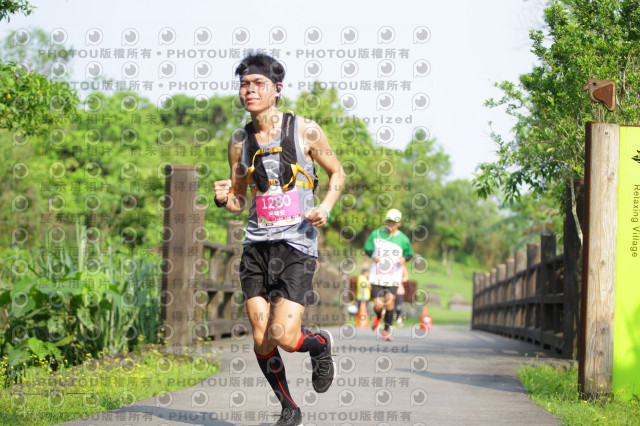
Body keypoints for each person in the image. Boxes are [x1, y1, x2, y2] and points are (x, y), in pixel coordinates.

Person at [213, 53, 345, 426]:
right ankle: (289, 407)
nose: (249, 91)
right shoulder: (239, 140)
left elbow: (337, 173)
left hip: (296, 246)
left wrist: (326, 207)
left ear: (277, 89)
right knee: (262, 338)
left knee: (284, 336)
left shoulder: (306, 130)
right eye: (244, 84)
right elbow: (240, 200)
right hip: (256, 246)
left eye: (258, 84)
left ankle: (319, 345)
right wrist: (224, 198)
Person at [365, 208, 413, 341]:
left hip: (393, 276)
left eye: (393, 222)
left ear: (399, 223)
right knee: (378, 305)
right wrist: (373, 256)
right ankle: (378, 316)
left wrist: (404, 259)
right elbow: (367, 249)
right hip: (377, 275)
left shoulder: (403, 239)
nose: (390, 224)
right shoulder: (376, 234)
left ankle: (386, 330)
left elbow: (409, 254)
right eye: (389, 221)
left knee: (390, 302)